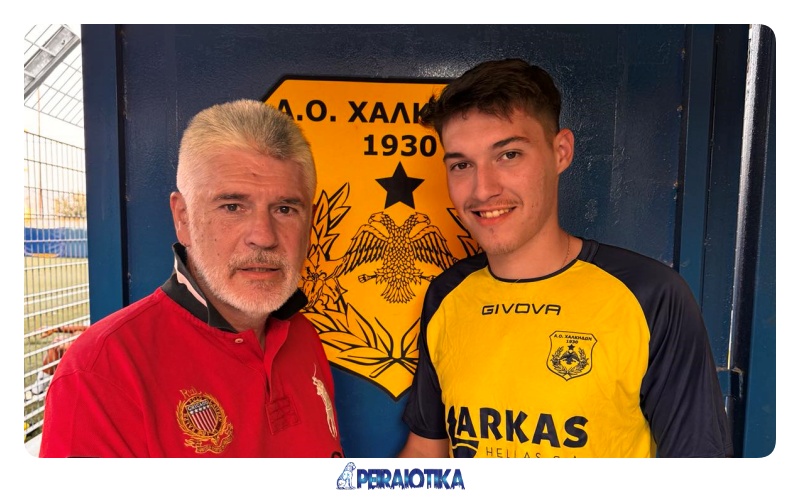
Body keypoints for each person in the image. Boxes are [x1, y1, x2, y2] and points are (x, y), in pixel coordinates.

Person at [399, 59, 733, 458]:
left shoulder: (650, 296)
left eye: (509, 155)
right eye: (461, 165)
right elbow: (426, 453)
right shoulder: (447, 295)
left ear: (561, 152)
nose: (482, 189)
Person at [39, 99, 343, 458]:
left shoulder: (303, 337)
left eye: (285, 209)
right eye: (232, 206)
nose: (263, 236)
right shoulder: (102, 372)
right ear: (182, 218)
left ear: (309, 222)